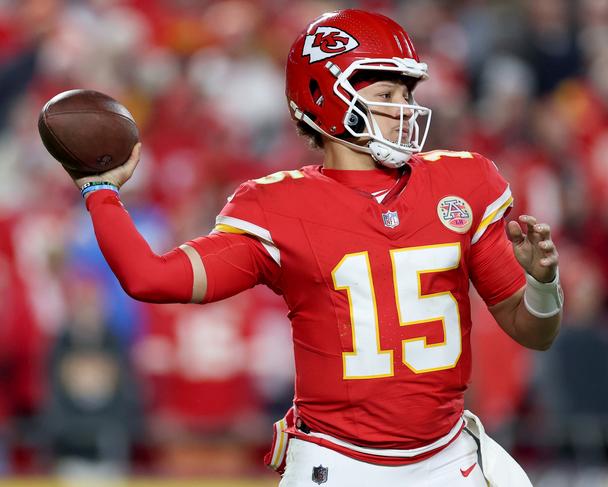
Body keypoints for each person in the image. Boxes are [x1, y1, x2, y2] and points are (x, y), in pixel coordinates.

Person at [64, 9, 563, 487]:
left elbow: (534, 332)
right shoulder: (278, 206)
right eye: (387, 92)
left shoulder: (463, 181)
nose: (405, 109)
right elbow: (150, 278)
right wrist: (100, 192)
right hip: (339, 463)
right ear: (327, 97)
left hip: (446, 459)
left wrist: (542, 284)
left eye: (406, 93)